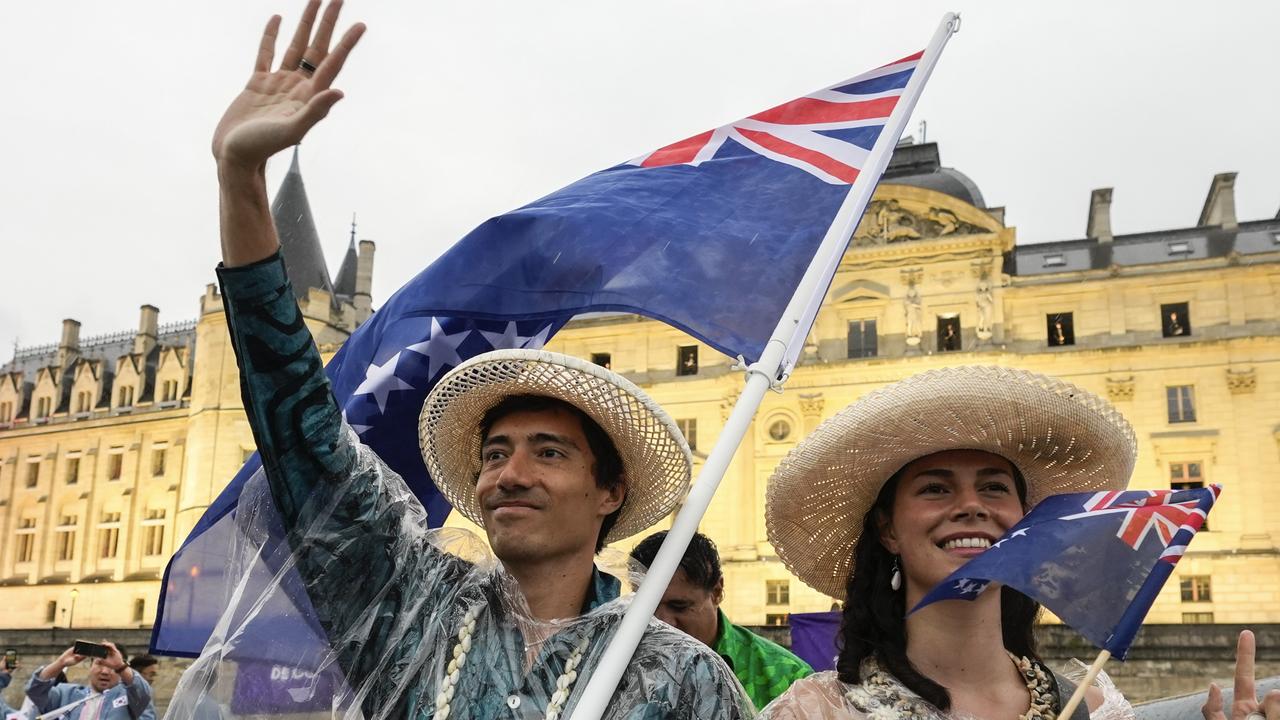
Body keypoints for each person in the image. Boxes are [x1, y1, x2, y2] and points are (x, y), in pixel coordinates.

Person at [168, 3, 752, 717]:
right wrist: (240, 177)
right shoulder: (406, 603)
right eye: (496, 452)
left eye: (549, 452)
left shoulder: (681, 677)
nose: (510, 473)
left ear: (610, 491)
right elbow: (301, 430)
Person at [759, 366, 1139, 719]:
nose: (972, 505)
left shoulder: (1096, 707)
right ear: (888, 530)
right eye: (935, 489)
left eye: (994, 488)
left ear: (1026, 523)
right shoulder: (814, 711)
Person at [630, 531, 813, 708]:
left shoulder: (789, 678)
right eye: (647, 608)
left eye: (679, 606)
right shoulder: (618, 669)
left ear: (716, 592)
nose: (663, 622)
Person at [25, 642, 154, 720]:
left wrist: (120, 666)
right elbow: (35, 691)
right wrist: (61, 663)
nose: (105, 671)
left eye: (112, 667)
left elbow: (143, 692)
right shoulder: (66, 694)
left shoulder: (130, 698)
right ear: (90, 666)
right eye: (99, 664)